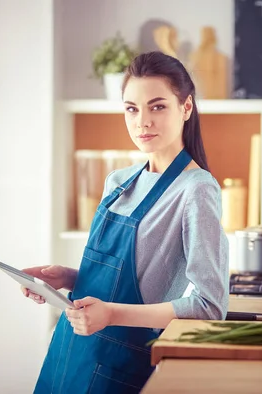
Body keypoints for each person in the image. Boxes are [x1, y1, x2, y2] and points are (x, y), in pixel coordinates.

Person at [21, 51, 230, 394]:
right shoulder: (119, 182)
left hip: (119, 363)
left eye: (158, 106)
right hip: (70, 348)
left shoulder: (196, 190)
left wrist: (111, 315)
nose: (142, 121)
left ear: (186, 108)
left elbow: (209, 305)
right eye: (132, 108)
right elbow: (123, 282)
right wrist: (66, 277)